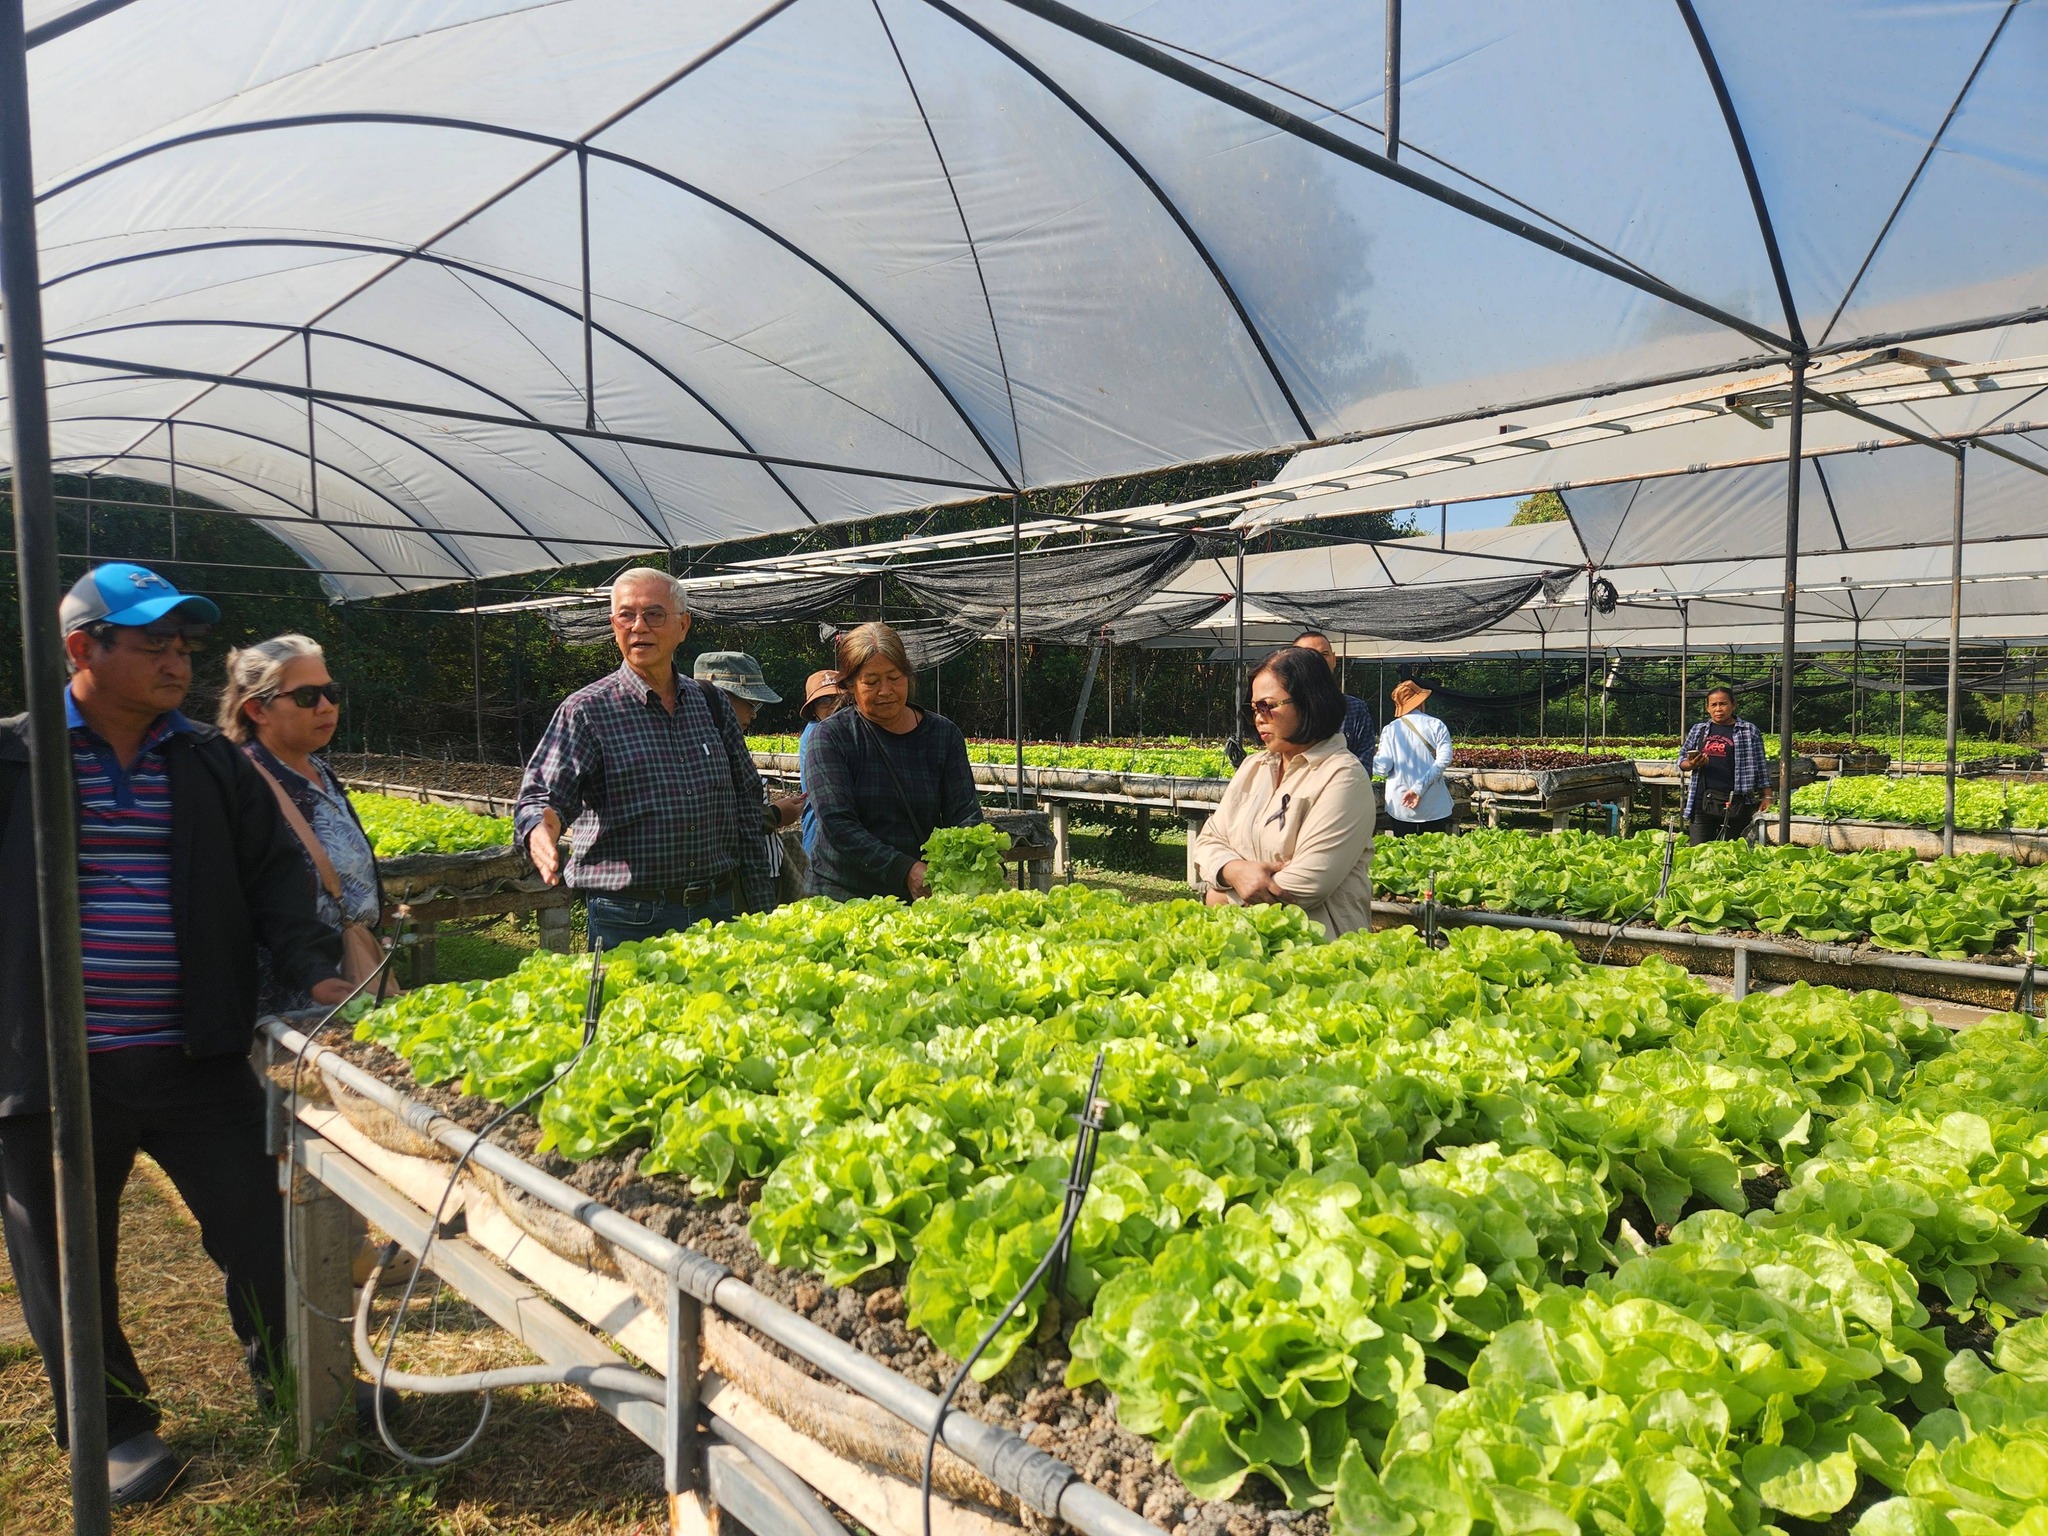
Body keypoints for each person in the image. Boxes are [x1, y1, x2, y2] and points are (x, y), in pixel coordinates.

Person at [0, 564, 346, 1505]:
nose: (177, 660)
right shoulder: (14, 759)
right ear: (82, 649)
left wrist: (318, 967)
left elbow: (276, 877)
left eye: (185, 644)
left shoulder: (203, 762)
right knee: (68, 1263)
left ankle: (294, 1381)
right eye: (154, 642)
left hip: (191, 1052)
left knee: (256, 1226)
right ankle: (111, 1430)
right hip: (50, 1070)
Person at [516, 568, 773, 951]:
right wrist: (541, 830)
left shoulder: (712, 703)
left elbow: (748, 804)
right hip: (629, 919)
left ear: (683, 625)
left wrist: (761, 903)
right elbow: (544, 796)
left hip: (718, 911)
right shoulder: (587, 711)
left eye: (654, 614)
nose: (639, 627)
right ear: (613, 624)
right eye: (626, 615)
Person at [218, 634, 389, 1010]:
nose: (327, 707)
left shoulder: (318, 770)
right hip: (287, 992)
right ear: (256, 710)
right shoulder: (243, 784)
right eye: (307, 697)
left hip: (341, 972)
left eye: (331, 692)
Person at [1191, 647, 1374, 937]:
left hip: (1316, 955)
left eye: (1268, 706)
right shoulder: (1254, 767)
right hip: (1244, 946)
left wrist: (1222, 896)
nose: (1259, 718)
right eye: (1253, 709)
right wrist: (1235, 870)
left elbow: (1308, 884)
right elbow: (1207, 841)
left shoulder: (1343, 775)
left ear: (1310, 702)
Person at [803, 623, 981, 901]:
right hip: (846, 896)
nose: (885, 690)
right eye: (871, 682)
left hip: (922, 894)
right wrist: (904, 869)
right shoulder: (831, 738)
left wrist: (969, 860)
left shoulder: (943, 735)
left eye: (894, 677)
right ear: (849, 684)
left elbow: (965, 812)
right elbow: (839, 824)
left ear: (908, 675)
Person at [694, 651, 804, 904]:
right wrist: (775, 815)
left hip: (757, 875)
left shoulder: (733, 746)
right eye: (750, 704)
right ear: (718, 698)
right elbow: (716, 820)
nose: (753, 714)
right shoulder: (699, 750)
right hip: (728, 888)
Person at [1678, 686, 1769, 844]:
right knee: (1698, 852)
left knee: (1732, 852)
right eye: (1713, 705)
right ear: (1707, 708)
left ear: (1733, 705)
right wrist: (1692, 764)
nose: (1718, 709)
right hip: (1702, 801)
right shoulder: (1698, 730)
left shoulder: (1748, 730)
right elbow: (1681, 761)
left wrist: (1767, 796)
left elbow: (1761, 767)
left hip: (1736, 802)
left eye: (1723, 704)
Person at [1374, 679, 1456, 836]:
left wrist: (1372, 758)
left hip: (1401, 805)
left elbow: (1382, 769)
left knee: (1403, 856)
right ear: (1420, 702)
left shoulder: (1390, 729)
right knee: (1436, 855)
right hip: (1434, 806)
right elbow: (1444, 760)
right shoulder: (1436, 725)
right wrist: (1419, 789)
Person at [1293, 630, 1375, 764]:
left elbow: (1364, 762)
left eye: (1324, 654)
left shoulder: (1355, 709)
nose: (1318, 661)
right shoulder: (1284, 708)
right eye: (1309, 655)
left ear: (1334, 659)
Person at [797, 668, 848, 864]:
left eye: (838, 698)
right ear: (813, 709)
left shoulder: (843, 729)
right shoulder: (816, 734)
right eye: (824, 701)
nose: (833, 705)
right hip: (821, 831)